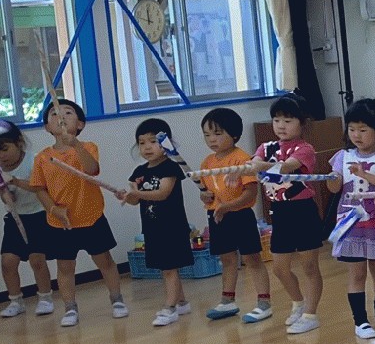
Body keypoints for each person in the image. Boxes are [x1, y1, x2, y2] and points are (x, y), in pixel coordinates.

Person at [29, 97, 128, 328]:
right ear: (47, 127)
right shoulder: (42, 157)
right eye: (54, 114)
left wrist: (76, 145)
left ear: (80, 124)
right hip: (61, 223)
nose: (61, 117)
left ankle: (116, 299)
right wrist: (53, 209)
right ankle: (70, 307)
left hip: (91, 217)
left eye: (68, 113)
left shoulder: (88, 147)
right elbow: (39, 188)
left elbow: (92, 169)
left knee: (105, 261)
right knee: (65, 267)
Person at [324, 97, 375, 338]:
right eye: (352, 129)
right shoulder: (342, 156)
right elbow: (334, 189)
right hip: (350, 223)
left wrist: (364, 174)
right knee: (356, 273)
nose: (356, 135)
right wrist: (333, 178)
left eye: (362, 129)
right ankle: (360, 321)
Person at [259, 94, 327, 335]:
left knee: (309, 266)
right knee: (279, 268)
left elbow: (285, 167)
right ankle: (298, 302)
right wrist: (243, 169)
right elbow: (254, 162)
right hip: (280, 212)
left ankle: (311, 314)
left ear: (302, 123)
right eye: (277, 120)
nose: (281, 125)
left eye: (288, 121)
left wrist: (258, 166)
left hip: (303, 211)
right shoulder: (266, 148)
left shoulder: (305, 149)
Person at [196, 106, 271, 323]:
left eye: (218, 133)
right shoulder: (207, 163)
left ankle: (264, 303)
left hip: (239, 215)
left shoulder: (242, 160)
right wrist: (205, 197)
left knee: (252, 258)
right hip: (217, 216)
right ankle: (227, 301)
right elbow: (207, 194)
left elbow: (250, 194)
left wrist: (228, 206)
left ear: (234, 135)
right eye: (207, 135)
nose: (212, 139)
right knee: (227, 259)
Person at [121, 116, 193, 327]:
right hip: (152, 228)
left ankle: (170, 308)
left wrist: (137, 193)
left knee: (169, 268)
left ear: (166, 143)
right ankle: (182, 302)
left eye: (153, 141)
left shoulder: (170, 167)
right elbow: (134, 200)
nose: (147, 147)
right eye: (142, 142)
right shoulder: (139, 172)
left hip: (172, 227)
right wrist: (126, 196)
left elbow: (163, 193)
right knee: (166, 268)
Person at [0, 126, 54, 318]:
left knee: (37, 259)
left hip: (39, 215)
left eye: (4, 149)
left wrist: (14, 181)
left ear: (19, 142)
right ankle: (16, 301)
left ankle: (45, 298)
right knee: (8, 262)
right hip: (16, 217)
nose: (1, 156)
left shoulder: (35, 161)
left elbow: (39, 187)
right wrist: (3, 192)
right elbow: (10, 200)